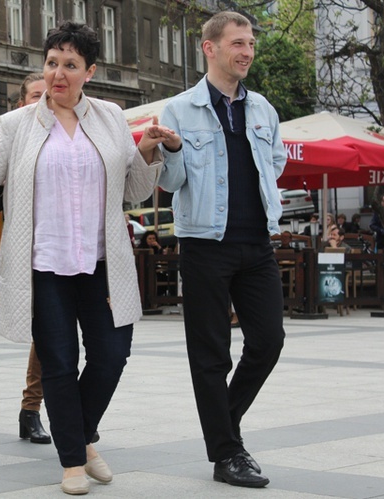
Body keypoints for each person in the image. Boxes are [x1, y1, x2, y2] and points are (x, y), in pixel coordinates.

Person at [0, 22, 169, 495]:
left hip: (101, 265)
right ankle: (72, 463)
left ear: (90, 71)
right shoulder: (18, 126)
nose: (58, 74)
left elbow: (135, 191)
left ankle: (79, 438)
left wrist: (148, 149)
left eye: (70, 65)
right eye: (52, 63)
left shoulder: (110, 118)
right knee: (58, 363)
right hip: (44, 267)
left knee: (112, 356)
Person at [153, 11, 286, 488]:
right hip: (205, 245)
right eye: (238, 43)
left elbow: (276, 162)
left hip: (258, 244)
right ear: (210, 48)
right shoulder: (179, 110)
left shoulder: (264, 109)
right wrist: (168, 152)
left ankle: (222, 426)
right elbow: (172, 181)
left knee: (269, 342)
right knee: (210, 354)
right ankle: (227, 452)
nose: (247, 51)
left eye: (250, 42)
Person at [15, 71, 52, 445]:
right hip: (31, 252)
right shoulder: (14, 137)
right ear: (22, 103)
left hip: (78, 255)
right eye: (34, 95)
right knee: (47, 333)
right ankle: (31, 410)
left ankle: (68, 414)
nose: (42, 100)